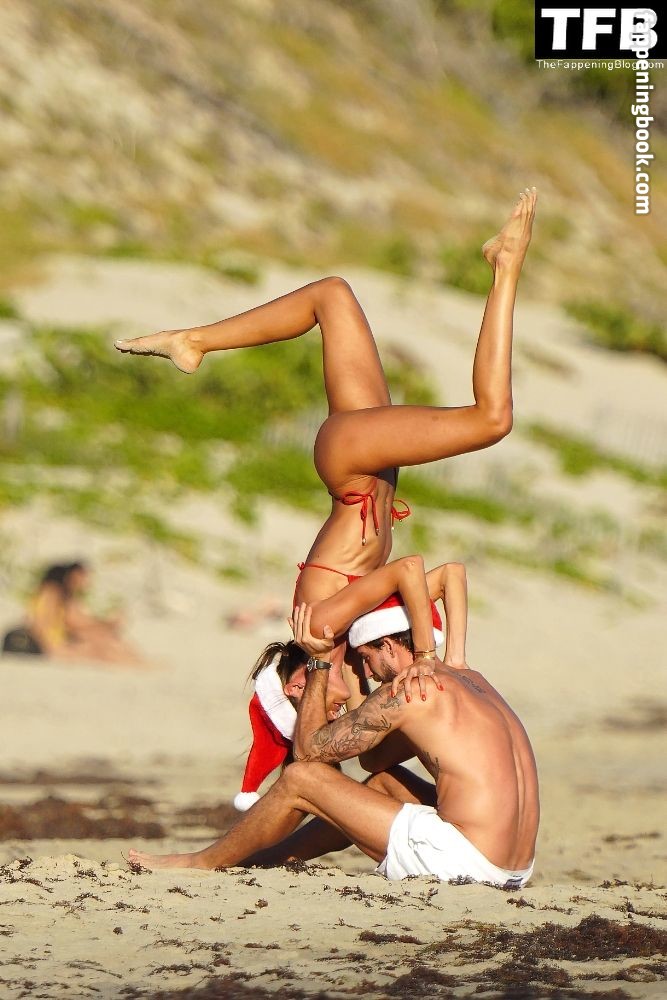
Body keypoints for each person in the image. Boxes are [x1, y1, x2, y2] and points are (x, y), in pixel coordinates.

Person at [115, 191, 538, 684]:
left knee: (492, 419)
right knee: (332, 294)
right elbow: (449, 576)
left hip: (353, 464)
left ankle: (505, 266)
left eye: (304, 691)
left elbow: (406, 570)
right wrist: (456, 660)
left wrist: (426, 658)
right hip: (365, 460)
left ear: (299, 678)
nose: (361, 684)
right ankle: (193, 341)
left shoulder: (320, 628)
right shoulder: (353, 631)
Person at [128, 568, 539, 888]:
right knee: (383, 783)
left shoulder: (408, 690)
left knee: (301, 778)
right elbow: (375, 760)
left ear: (388, 645)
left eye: (366, 659)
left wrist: (320, 661)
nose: (367, 672)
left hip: (467, 862)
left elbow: (309, 753)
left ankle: (201, 862)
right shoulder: (469, 677)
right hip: (517, 865)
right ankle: (264, 859)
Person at [2, 562, 146, 665]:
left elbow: (79, 623)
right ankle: (139, 665)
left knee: (103, 640)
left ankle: (138, 664)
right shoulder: (52, 594)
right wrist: (109, 624)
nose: (86, 582)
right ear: (70, 576)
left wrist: (106, 626)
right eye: (82, 577)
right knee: (103, 645)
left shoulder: (57, 595)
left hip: (53, 643)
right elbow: (47, 625)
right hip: (48, 645)